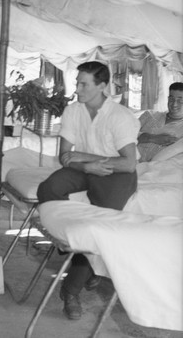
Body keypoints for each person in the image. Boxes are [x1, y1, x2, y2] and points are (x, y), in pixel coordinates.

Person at [37, 61, 140, 321]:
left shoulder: (120, 116)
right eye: (77, 82)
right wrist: (87, 165)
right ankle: (68, 245)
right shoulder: (73, 111)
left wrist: (88, 160)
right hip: (86, 168)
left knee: (96, 229)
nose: (78, 88)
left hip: (117, 174)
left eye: (84, 84)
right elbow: (63, 156)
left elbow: (128, 162)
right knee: (49, 187)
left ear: (102, 86)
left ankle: (70, 291)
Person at [137, 82, 183, 162]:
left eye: (180, 101)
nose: (174, 104)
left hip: (158, 172)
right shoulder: (149, 115)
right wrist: (152, 138)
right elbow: (125, 135)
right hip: (129, 165)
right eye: (171, 99)